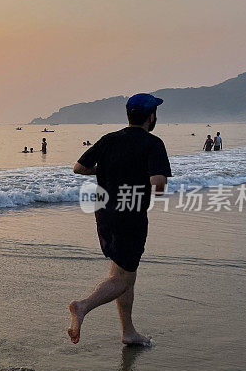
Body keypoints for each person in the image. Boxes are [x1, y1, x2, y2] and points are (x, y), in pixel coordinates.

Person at [68, 93, 171, 347]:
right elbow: (158, 184)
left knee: (124, 272)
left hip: (104, 213)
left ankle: (128, 332)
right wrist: (147, 182)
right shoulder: (153, 143)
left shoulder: (109, 140)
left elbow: (78, 168)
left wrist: (106, 171)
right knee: (123, 279)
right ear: (151, 117)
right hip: (130, 216)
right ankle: (82, 306)